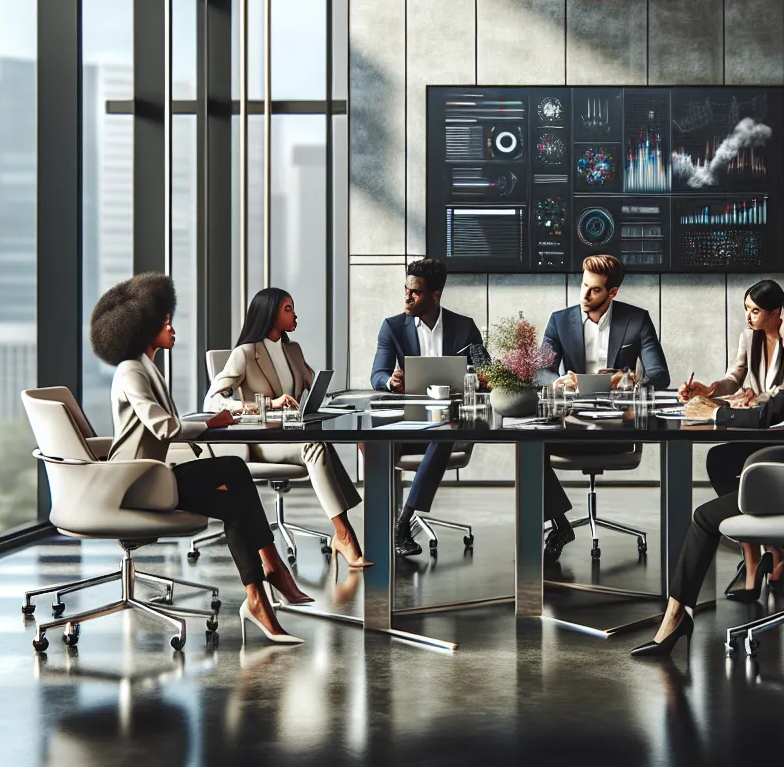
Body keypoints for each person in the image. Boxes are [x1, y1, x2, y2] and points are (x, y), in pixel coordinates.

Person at [630, 290, 784, 657]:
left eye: (783, 320)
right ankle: (748, 569)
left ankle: (674, 619)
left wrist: (713, 414)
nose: (779, 326)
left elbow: (767, 415)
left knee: (704, 517)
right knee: (731, 463)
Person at [92, 272, 310, 646]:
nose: (173, 329)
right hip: (134, 482)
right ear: (143, 329)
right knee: (234, 474)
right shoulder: (131, 372)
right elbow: (164, 428)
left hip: (153, 476)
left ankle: (259, 596)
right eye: (165, 324)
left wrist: (215, 420)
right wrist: (212, 421)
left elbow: (171, 425)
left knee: (234, 497)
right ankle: (271, 573)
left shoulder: (146, 368)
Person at [205, 287, 374, 571]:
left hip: (293, 434)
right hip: (262, 441)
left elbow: (316, 388)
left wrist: (347, 403)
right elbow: (212, 400)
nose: (295, 314)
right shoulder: (245, 353)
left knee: (321, 442)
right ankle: (344, 535)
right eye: (287, 309)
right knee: (315, 445)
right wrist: (266, 404)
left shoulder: (293, 350)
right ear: (269, 313)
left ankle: (345, 533)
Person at [534, 254, 671, 560]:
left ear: (612, 292)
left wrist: (630, 378)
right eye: (583, 285)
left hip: (618, 426)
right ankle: (559, 522)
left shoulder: (636, 320)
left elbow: (660, 375)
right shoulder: (560, 320)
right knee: (530, 444)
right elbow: (538, 371)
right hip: (572, 423)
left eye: (594, 289)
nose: (584, 294)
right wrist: (559, 381)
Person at [677, 279, 784, 600]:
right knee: (718, 460)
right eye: (746, 310)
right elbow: (735, 377)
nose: (749, 317)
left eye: (755, 311)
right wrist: (709, 390)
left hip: (783, 433)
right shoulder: (749, 337)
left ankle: (766, 556)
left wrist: (756, 399)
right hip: (755, 428)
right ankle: (758, 554)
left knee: (736, 464)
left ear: (776, 312)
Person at [367, 258, 489, 557]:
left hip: (451, 424)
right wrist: (391, 382)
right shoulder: (393, 327)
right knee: (370, 439)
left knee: (446, 428)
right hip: (408, 423)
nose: (407, 297)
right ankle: (394, 522)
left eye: (415, 292)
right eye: (406, 290)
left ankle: (403, 521)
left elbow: (489, 371)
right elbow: (377, 374)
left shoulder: (464, 327)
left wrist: (482, 377)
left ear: (435, 295)